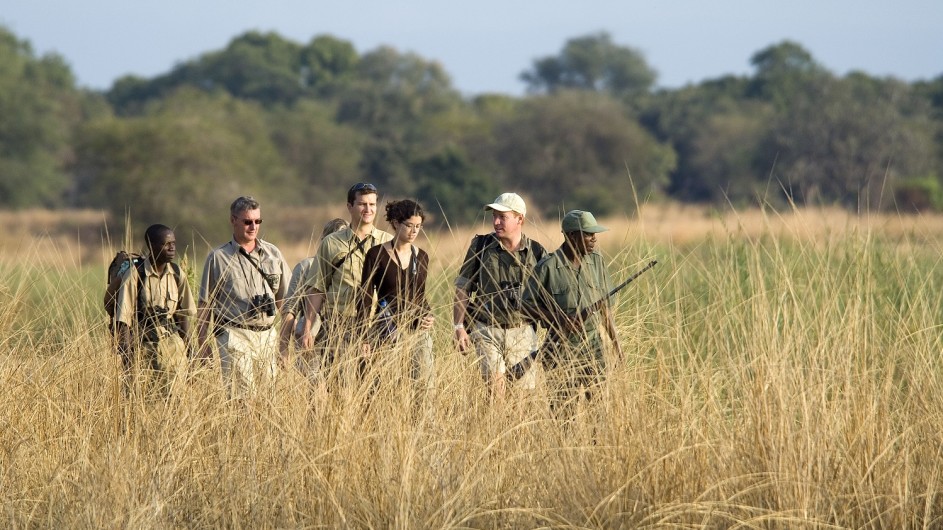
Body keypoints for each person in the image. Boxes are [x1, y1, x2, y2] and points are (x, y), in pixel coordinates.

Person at [521, 209, 623, 414]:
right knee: (563, 414)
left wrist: (616, 345)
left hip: (594, 349)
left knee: (599, 410)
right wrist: (558, 318)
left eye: (594, 234)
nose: (594, 239)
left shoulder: (597, 262)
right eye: (588, 234)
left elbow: (605, 308)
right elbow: (526, 306)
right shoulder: (547, 267)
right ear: (571, 236)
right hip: (559, 349)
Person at [453, 192, 547, 400]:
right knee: (496, 394)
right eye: (494, 216)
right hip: (487, 329)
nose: (496, 222)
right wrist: (459, 327)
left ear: (519, 219)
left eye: (502, 217)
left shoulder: (537, 253)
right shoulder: (481, 246)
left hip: (523, 330)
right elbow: (462, 287)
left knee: (521, 401)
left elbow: (550, 293)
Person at [196, 196, 291, 398]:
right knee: (243, 399)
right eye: (247, 221)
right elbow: (204, 306)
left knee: (270, 398)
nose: (253, 226)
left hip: (267, 335)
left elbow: (285, 302)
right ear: (233, 220)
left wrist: (285, 344)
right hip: (234, 334)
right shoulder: (218, 258)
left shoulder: (273, 253)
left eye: (257, 221)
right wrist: (203, 346)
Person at [300, 183, 393, 368]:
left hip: (378, 324)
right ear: (350, 207)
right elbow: (317, 287)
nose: (368, 209)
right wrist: (308, 328)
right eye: (362, 204)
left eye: (372, 204)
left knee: (376, 387)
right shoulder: (332, 243)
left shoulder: (387, 242)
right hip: (339, 325)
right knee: (339, 384)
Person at [357, 199, 435, 389]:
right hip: (386, 328)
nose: (414, 231)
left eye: (418, 226)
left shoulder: (422, 256)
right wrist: (363, 337)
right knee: (386, 386)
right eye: (409, 225)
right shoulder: (376, 255)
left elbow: (419, 295)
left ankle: (423, 420)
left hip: (417, 330)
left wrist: (429, 314)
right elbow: (365, 298)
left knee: (424, 385)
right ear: (395, 223)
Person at [113, 224, 196, 395]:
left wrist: (190, 349)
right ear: (151, 246)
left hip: (173, 345)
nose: (172, 248)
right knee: (144, 398)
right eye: (166, 244)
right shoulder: (136, 275)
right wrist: (128, 359)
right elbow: (124, 320)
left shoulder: (177, 273)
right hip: (143, 345)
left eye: (173, 243)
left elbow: (182, 316)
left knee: (176, 398)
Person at [278, 218, 349, 380]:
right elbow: (289, 310)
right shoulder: (306, 267)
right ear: (326, 241)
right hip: (311, 339)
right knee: (317, 390)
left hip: (343, 340)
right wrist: (283, 349)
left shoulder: (352, 269)